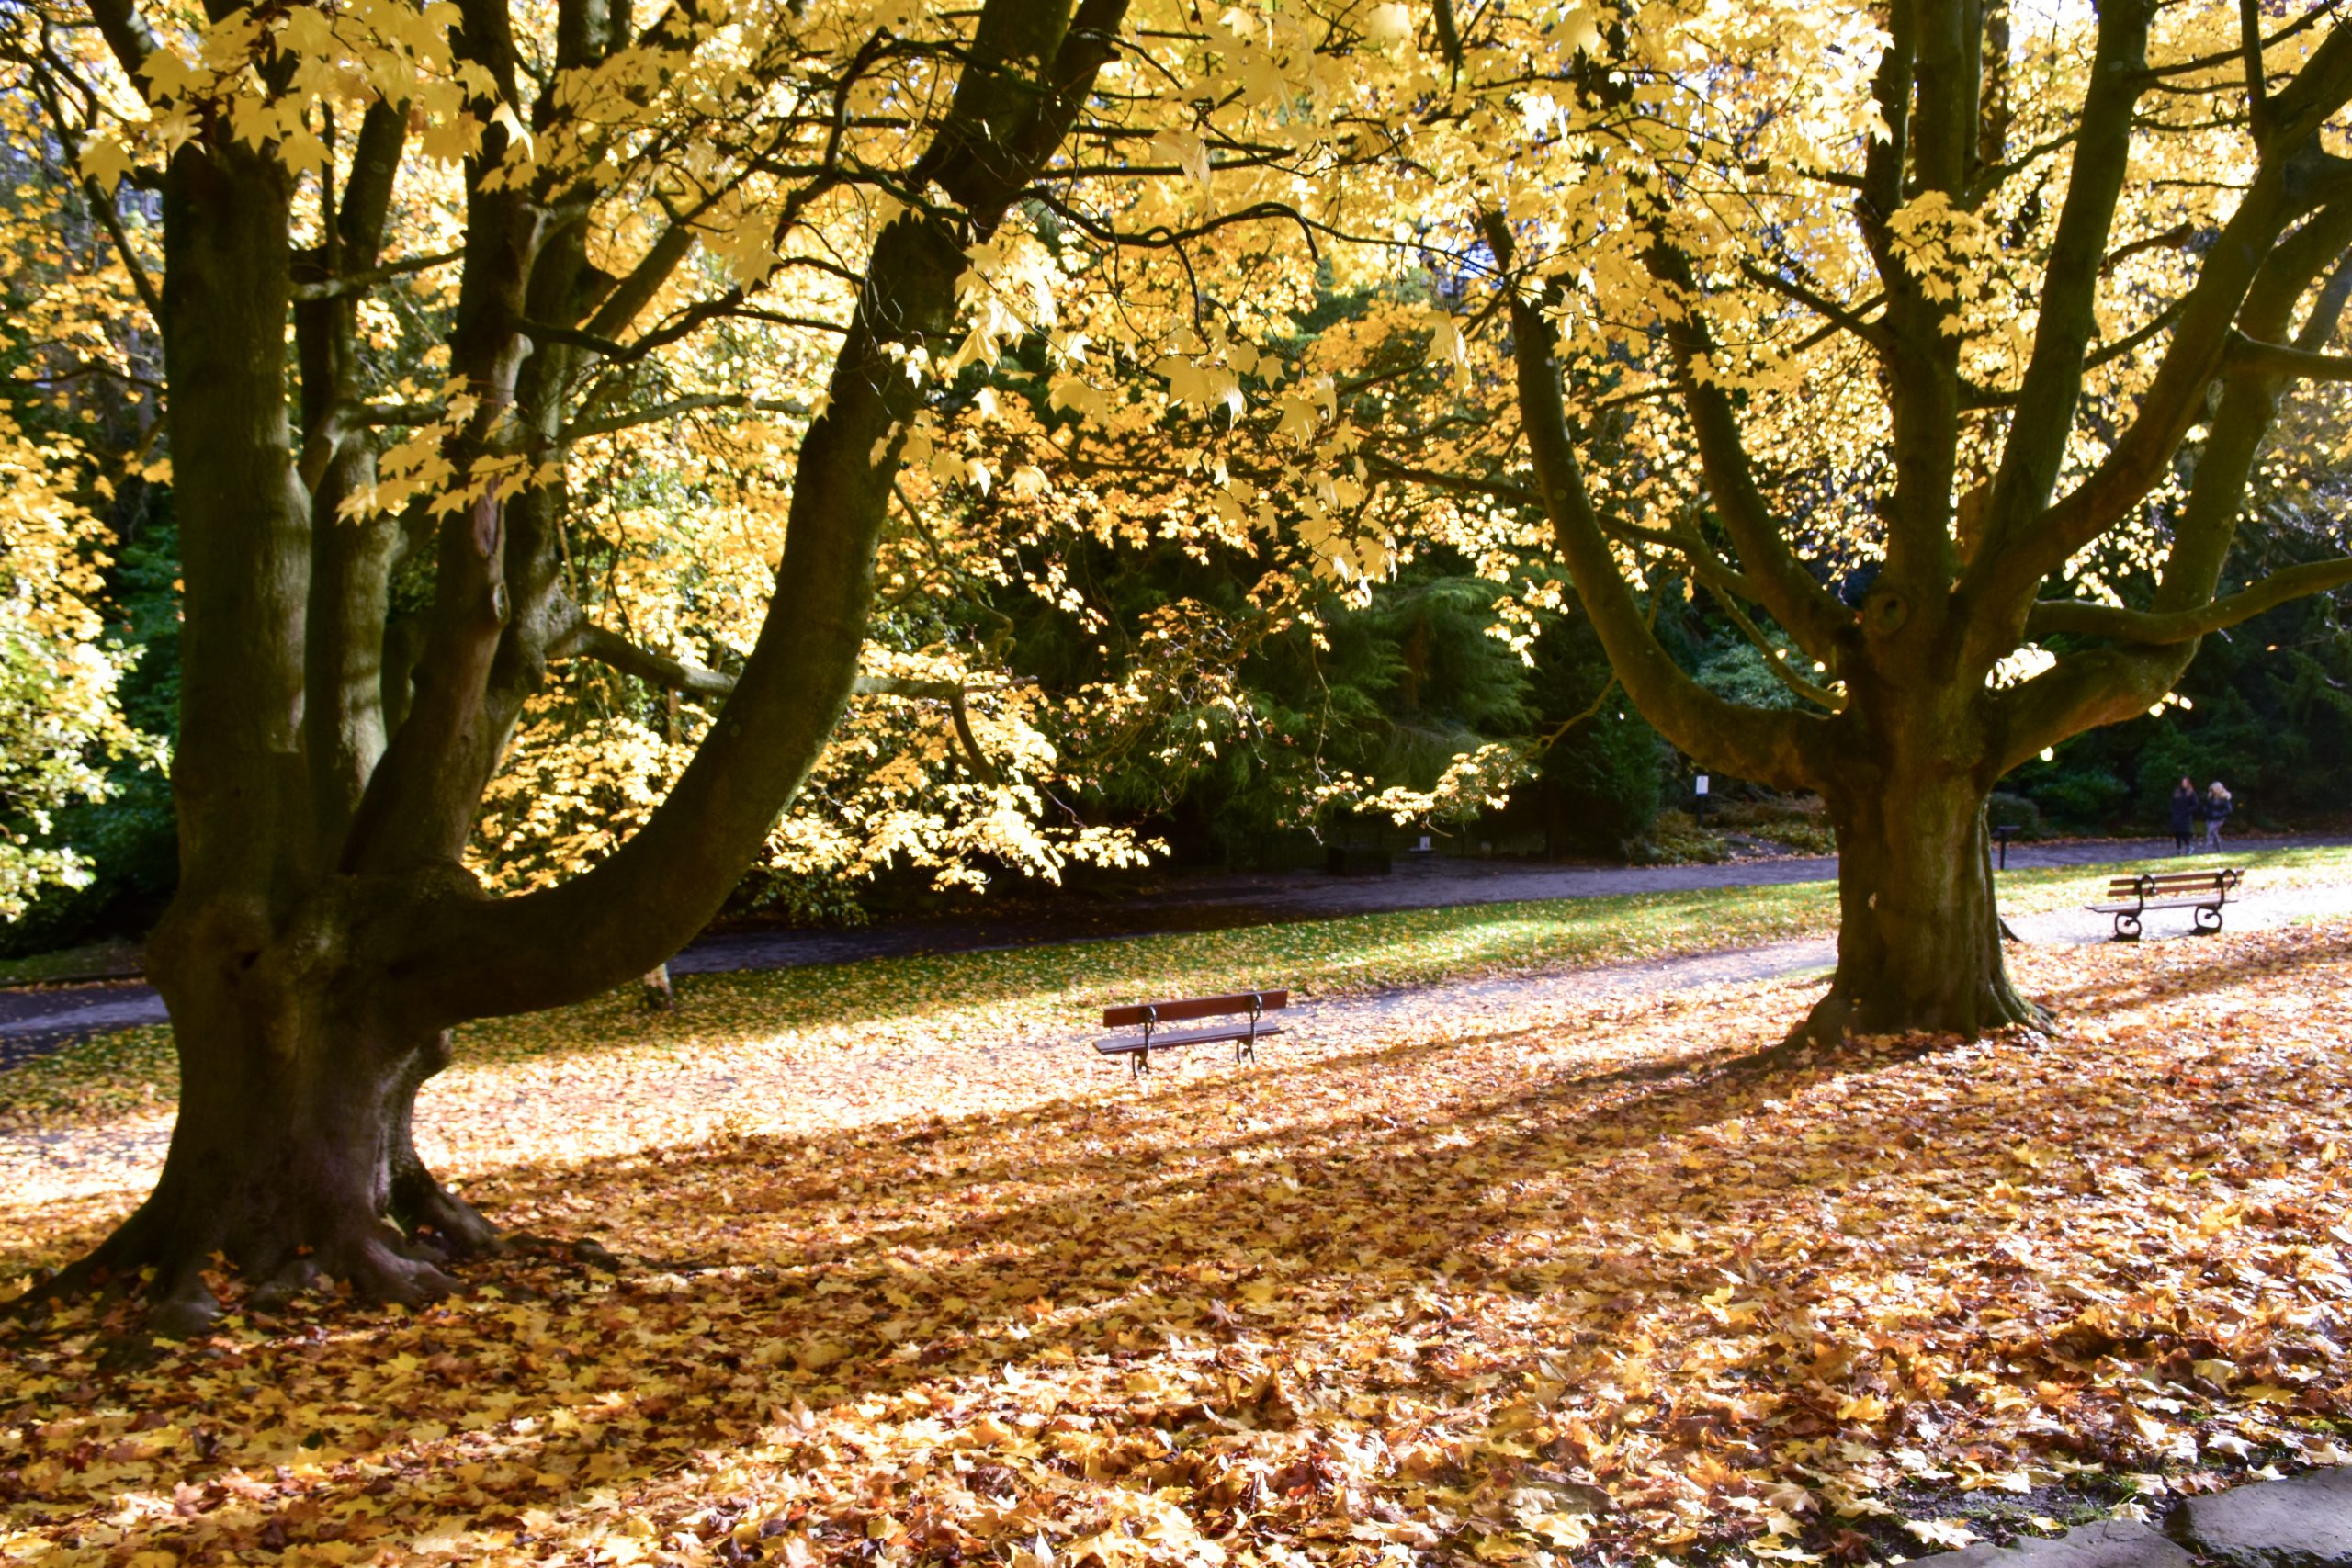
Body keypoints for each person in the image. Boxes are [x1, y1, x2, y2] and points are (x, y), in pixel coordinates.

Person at [2203, 780, 2233, 852]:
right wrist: (2206, 812)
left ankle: (2207, 850)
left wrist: (2219, 814)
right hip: (2210, 818)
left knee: (2210, 832)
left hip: (2219, 819)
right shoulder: (2210, 797)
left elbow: (2229, 810)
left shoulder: (2224, 799)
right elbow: (2207, 806)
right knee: (2214, 834)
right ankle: (2219, 850)